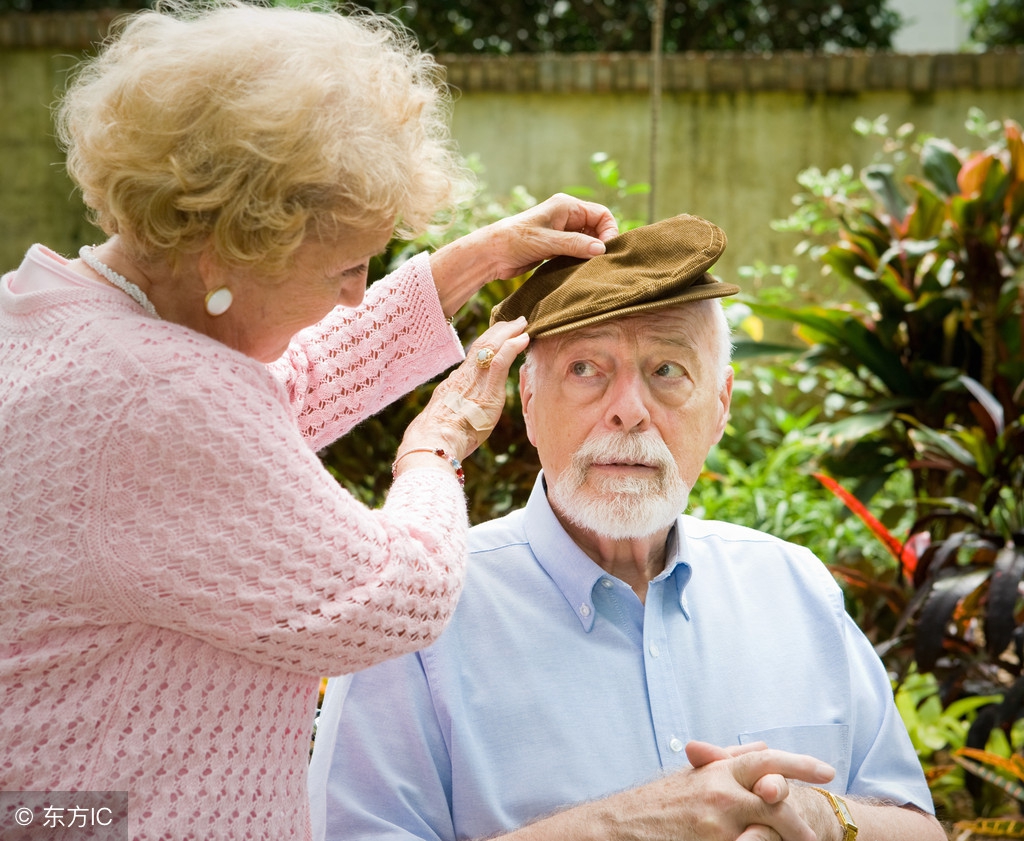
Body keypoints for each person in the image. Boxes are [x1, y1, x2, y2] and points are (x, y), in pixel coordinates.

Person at [0, 2, 618, 839]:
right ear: (236, 246)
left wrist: (480, 259)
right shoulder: (164, 394)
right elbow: (399, 595)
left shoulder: (52, 313)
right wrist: (436, 449)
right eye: (347, 267)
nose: (356, 294)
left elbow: (279, 390)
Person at [312, 214, 948, 841]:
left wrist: (824, 817)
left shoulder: (795, 587)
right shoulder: (415, 623)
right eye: (586, 369)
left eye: (667, 370)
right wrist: (618, 828)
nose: (629, 412)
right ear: (527, 404)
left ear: (721, 404)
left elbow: (919, 828)